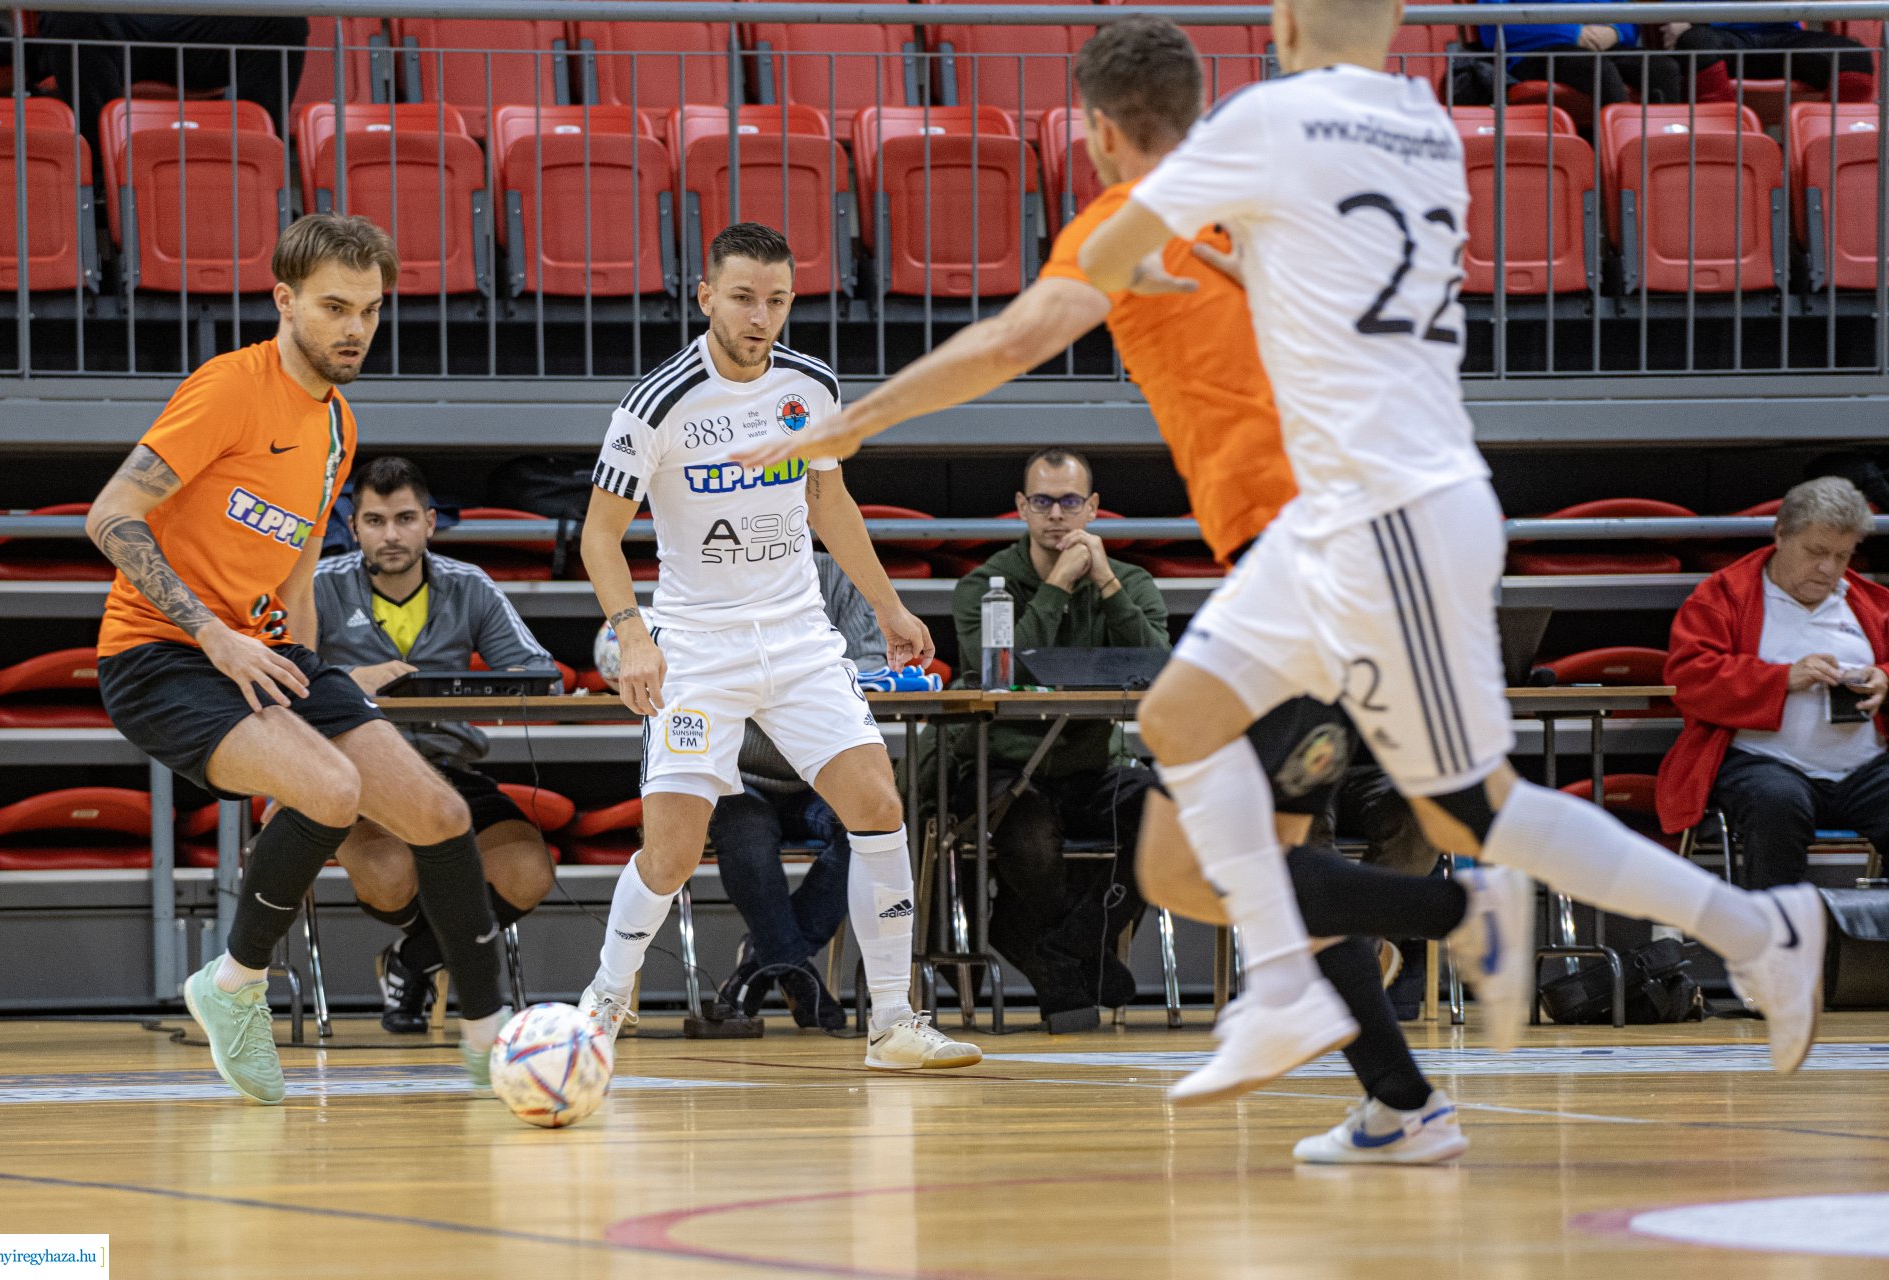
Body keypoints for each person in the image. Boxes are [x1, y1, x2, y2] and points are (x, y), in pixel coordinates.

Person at [737, 16, 1518, 1162]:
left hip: (1322, 558)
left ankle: (1462, 919)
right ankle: (1401, 1089)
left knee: (1205, 857)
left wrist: (850, 425)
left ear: (1096, 130)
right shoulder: (1266, 201)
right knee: (1264, 853)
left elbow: (1008, 342)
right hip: (1364, 541)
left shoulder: (1145, 218)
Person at [1069, 0, 1824, 1101]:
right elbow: (1323, 283)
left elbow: (1111, 241)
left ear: (1280, 20)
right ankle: (1287, 984)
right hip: (1345, 511)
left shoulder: (1268, 119)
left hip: (1390, 514)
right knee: (1177, 718)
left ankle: (1757, 926)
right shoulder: (1428, 122)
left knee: (1478, 809)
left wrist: (1148, 273)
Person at [85, 214, 508, 1104]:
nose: (355, 328)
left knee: (436, 811)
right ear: (285, 300)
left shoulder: (340, 424)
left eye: (371, 309)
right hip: (162, 654)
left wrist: (314, 680)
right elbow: (111, 515)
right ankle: (232, 986)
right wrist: (213, 632)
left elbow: (298, 568)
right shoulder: (228, 389)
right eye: (334, 307)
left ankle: (489, 1035)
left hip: (269, 651)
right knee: (330, 791)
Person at [576, 220, 980, 1074]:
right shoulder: (656, 404)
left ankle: (895, 1024)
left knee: (878, 805)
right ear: (705, 297)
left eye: (778, 300)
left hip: (800, 641)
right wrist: (634, 637)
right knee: (674, 851)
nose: (761, 316)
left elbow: (831, 503)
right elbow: (599, 537)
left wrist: (891, 606)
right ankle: (602, 1007)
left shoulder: (811, 385)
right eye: (743, 298)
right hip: (698, 652)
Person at [313, 456, 558, 1034]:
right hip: (356, 777)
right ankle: (434, 959)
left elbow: (538, 671)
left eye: (403, 519)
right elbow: (280, 677)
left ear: (429, 523)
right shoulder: (319, 588)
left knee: (529, 871)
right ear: (354, 527)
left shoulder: (469, 585)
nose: (391, 535)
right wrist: (350, 683)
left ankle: (413, 961)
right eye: (374, 521)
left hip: (450, 768)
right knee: (392, 873)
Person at [945, 447, 1169, 1032]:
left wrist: (1108, 586)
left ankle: (1057, 945)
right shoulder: (983, 585)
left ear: (1092, 509)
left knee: (1166, 813)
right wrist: (1058, 590)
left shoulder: (1132, 583)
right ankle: (1079, 962)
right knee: (1031, 842)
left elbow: (1158, 668)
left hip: (1094, 763)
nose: (1057, 515)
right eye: (1042, 501)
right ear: (1021, 507)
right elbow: (1002, 673)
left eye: (1070, 501)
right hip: (1004, 766)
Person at [1659, 476, 1889, 889]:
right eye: (1816, 552)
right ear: (1781, 534)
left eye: (1842, 555)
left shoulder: (1871, 603)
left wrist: (1884, 678)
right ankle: (1776, 943)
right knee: (1777, 801)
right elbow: (1689, 679)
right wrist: (1782, 678)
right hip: (1762, 765)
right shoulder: (1722, 596)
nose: (1828, 569)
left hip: (1864, 769)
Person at [709, 550, 886, 1032]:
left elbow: (872, 661)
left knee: (869, 830)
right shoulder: (711, 571)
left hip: (822, 766)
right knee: (745, 833)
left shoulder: (835, 572)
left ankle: (766, 960)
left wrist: (793, 679)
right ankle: (792, 968)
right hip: (738, 771)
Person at [33, 11, 309, 149]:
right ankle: (101, 172)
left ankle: (257, 161)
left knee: (284, 22)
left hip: (196, 22)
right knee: (73, 17)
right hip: (114, 22)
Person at [1477, 0, 1681, 110]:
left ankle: (1669, 157)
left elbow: (1626, 13)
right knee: (1598, 69)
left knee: (1662, 68)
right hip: (1535, 52)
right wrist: (1573, 33)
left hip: (1599, 46)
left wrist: (1615, 31)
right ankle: (1622, 163)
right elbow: (1492, 28)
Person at [1664, 10, 1873, 103]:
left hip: (1784, 36)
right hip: (1719, 37)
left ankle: (1821, 149)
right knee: (1695, 43)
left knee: (1853, 58)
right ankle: (1726, 137)